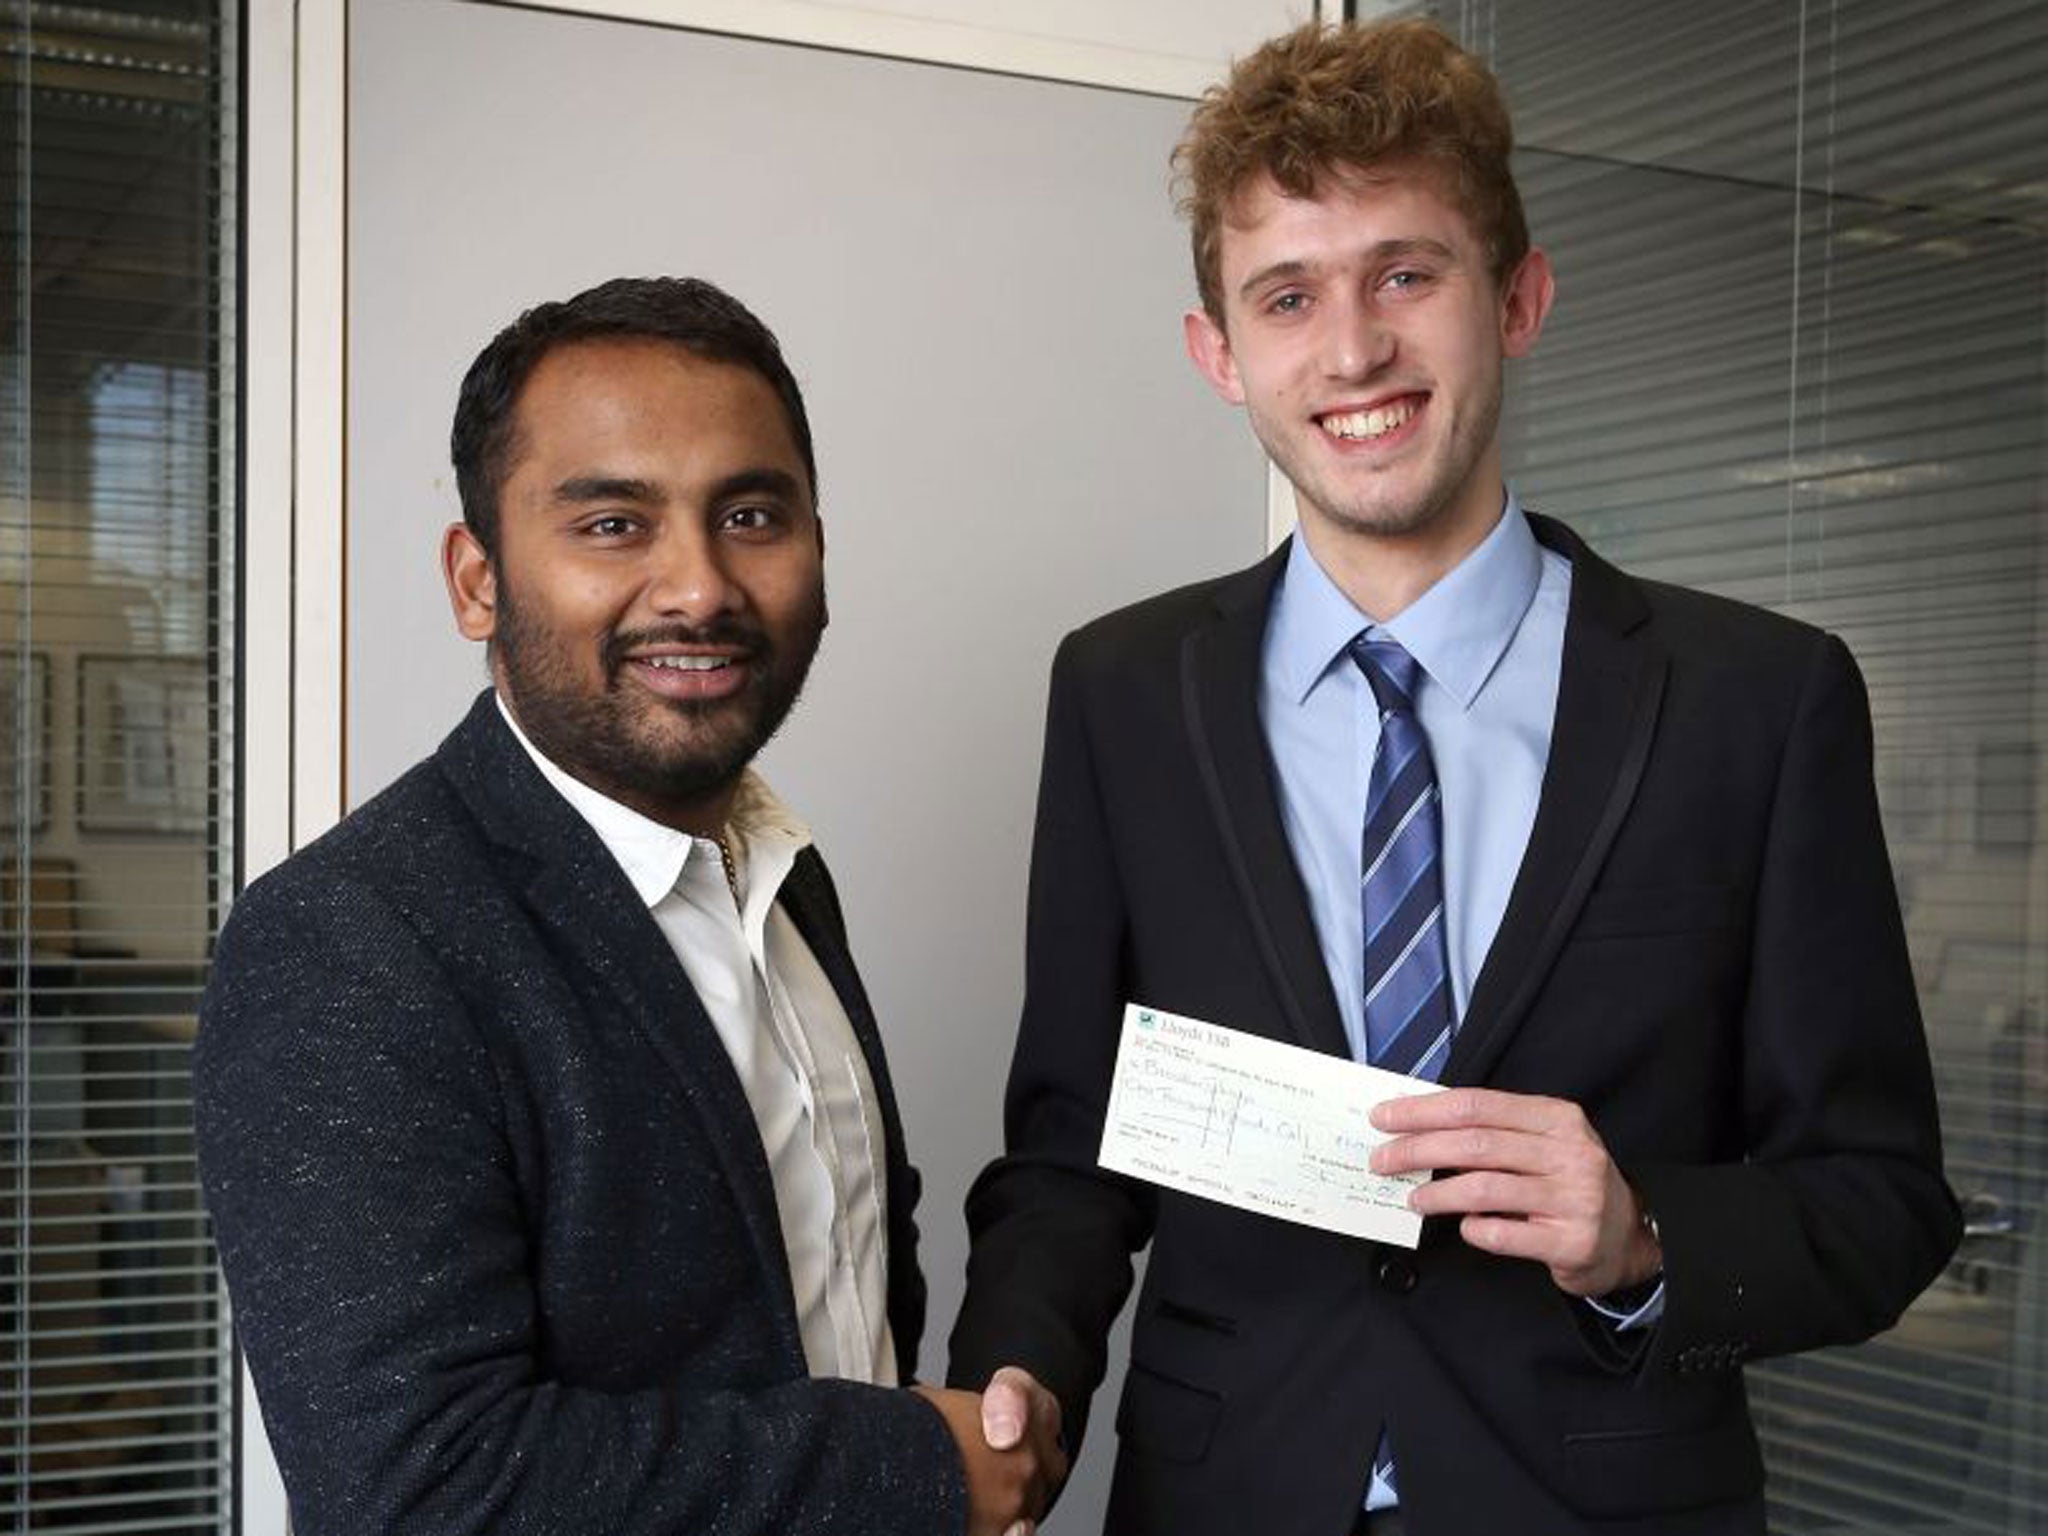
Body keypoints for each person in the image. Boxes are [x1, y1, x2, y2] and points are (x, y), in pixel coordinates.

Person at [947, 21, 1958, 1536]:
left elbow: (1883, 1200)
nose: (1352, 351)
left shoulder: (1759, 701)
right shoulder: (1121, 694)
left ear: (1521, 297)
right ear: (1218, 352)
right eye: (1288, 296)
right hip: (1226, 1498)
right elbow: (1069, 1152)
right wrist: (1010, 1389)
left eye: (1406, 275)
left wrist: (1647, 1233)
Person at [194, 277, 1060, 1536]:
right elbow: (420, 1489)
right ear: (476, 578)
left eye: (750, 514)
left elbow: (840, 1279)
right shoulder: (344, 945)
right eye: (612, 524)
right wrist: (911, 1470)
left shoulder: (783, 875)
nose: (698, 587)